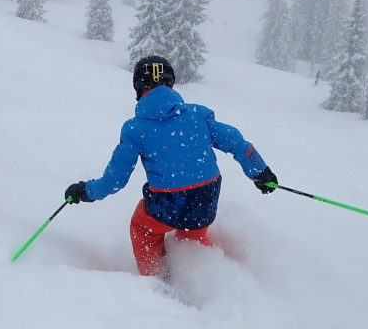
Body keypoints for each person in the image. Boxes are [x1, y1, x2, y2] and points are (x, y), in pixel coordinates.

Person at [65, 55, 278, 279]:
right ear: (171, 84)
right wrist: (261, 172)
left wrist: (85, 192)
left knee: (143, 228)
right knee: (193, 230)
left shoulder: (135, 129)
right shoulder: (198, 114)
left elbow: (115, 181)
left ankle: (154, 279)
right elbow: (238, 144)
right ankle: (202, 273)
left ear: (138, 88)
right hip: (205, 199)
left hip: (167, 204)